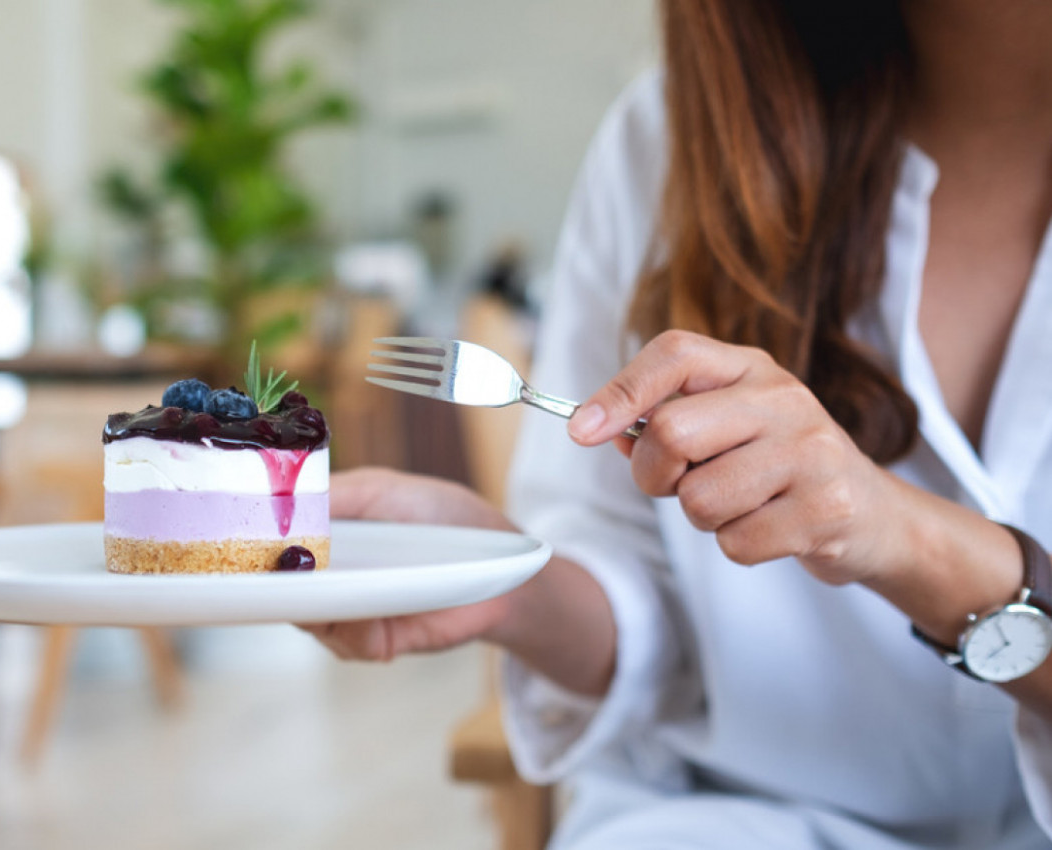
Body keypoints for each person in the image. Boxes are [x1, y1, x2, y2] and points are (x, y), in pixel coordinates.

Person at [303, 0, 1052, 846]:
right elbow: (647, 622)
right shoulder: (667, 137)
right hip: (750, 820)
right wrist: (507, 587)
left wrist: (914, 546)